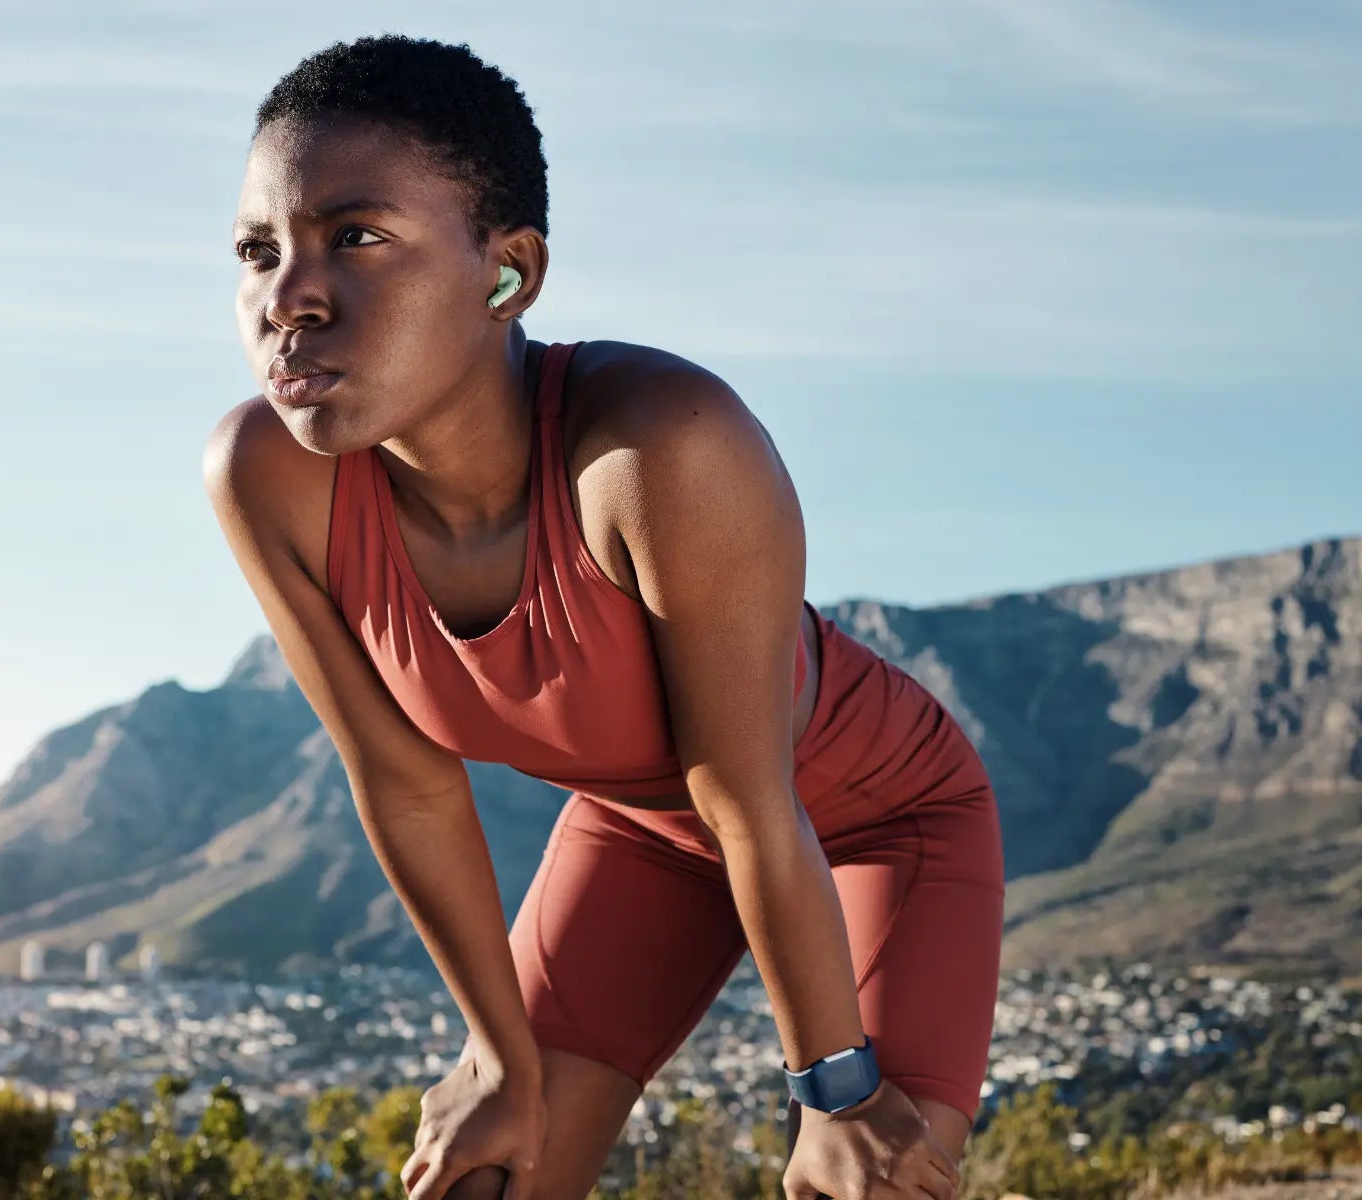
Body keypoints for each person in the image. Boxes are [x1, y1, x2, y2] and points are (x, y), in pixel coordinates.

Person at [204, 34, 1005, 1200]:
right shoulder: (267, 475)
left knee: (863, 1186)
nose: (289, 299)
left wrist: (837, 1091)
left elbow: (747, 799)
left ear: (509, 274)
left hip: (870, 825)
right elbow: (405, 783)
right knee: (485, 1179)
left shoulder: (658, 447)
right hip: (642, 833)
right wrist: (497, 1059)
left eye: (358, 236)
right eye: (258, 250)